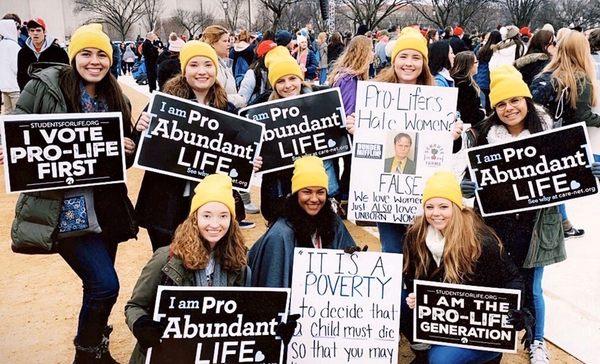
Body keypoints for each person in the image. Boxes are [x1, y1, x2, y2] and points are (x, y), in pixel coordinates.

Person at [3, 24, 137, 362]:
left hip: (105, 209)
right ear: (74, 55)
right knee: (105, 285)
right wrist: (8, 144)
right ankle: (86, 352)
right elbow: (17, 125)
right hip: (60, 209)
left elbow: (126, 159)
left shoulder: (116, 95)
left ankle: (98, 350)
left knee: (97, 288)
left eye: (102, 55)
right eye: (87, 53)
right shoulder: (45, 86)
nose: (95, 61)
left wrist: (127, 146)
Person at [460, 64, 600, 364]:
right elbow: (469, 174)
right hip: (495, 225)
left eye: (514, 100)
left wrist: (590, 167)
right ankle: (491, 337)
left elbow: (573, 164)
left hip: (537, 223)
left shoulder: (550, 132)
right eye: (501, 103)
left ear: (526, 100)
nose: (509, 108)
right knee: (495, 280)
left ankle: (536, 342)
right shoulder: (484, 136)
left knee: (533, 285)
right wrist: (466, 185)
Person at [133, 41, 259, 253]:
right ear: (184, 70)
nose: (202, 71)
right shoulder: (165, 104)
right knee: (169, 265)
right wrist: (139, 130)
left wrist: (249, 161)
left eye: (208, 65)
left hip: (210, 207)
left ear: (215, 69)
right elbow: (138, 152)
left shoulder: (226, 110)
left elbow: (236, 155)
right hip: (166, 205)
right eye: (194, 65)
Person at [346, 28, 463, 253]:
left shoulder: (437, 95)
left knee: (422, 256)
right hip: (386, 199)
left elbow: (449, 147)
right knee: (392, 254)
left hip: (424, 199)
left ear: (424, 63)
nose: (409, 63)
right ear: (394, 60)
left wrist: (454, 135)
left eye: (416, 57)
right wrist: (355, 130)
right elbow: (366, 149)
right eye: (404, 56)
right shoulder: (375, 93)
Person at [402, 171, 528, 363]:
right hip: (440, 321)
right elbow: (410, 274)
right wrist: (416, 294)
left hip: (477, 330)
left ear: (457, 207)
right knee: (398, 299)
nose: (436, 213)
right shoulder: (416, 234)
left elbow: (512, 278)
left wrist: (512, 308)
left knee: (441, 361)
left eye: (443, 206)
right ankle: (423, 349)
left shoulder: (480, 240)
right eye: (430, 206)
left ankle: (485, 358)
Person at [125, 174, 250, 363]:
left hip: (211, 354)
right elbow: (135, 306)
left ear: (232, 221)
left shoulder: (238, 262)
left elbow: (243, 315)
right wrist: (141, 325)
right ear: (194, 218)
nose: (215, 224)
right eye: (207, 215)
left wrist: (274, 328)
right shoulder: (167, 258)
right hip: (167, 354)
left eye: (223, 216)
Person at [248, 156, 356, 288]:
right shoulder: (280, 233)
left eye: (320, 192)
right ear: (296, 194)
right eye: (307, 192)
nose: (314, 199)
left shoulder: (334, 222)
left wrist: (354, 259)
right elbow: (272, 285)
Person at [531, 31, 599, 239]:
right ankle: (562, 224)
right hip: (565, 139)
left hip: (540, 134)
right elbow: (584, 116)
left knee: (551, 183)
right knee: (557, 184)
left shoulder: (545, 74)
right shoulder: (581, 79)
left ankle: (563, 223)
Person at [327, 35, 374, 208]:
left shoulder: (347, 74)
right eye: (371, 50)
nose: (373, 55)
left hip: (343, 129)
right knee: (350, 165)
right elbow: (348, 110)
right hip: (347, 130)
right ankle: (343, 199)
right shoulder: (349, 78)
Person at [17, 17, 68, 90]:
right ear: (28, 33)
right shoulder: (23, 53)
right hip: (31, 92)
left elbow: (65, 73)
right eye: (32, 30)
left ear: (44, 32)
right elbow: (21, 76)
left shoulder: (58, 51)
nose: (35, 33)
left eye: (38, 30)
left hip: (52, 92)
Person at [201, 25, 246, 108]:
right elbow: (212, 98)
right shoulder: (211, 67)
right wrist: (239, 100)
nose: (228, 44)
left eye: (228, 40)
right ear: (213, 43)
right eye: (225, 41)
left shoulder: (221, 63)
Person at [450, 51, 486, 126]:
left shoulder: (459, 82)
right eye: (476, 62)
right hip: (467, 127)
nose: (478, 65)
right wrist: (482, 113)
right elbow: (469, 115)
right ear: (469, 65)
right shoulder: (465, 86)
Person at [238, 39, 277, 105]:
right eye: (271, 54)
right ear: (263, 56)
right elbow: (243, 99)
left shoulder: (276, 70)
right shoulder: (252, 73)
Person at [475, 30, 502, 113]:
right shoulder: (496, 51)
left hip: (479, 78)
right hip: (489, 79)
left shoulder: (482, 48)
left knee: (482, 105)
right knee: (489, 106)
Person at [0, 19, 21, 114]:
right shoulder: (14, 46)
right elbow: (17, 67)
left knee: (8, 113)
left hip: (4, 86)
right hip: (15, 87)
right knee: (18, 114)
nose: (19, 31)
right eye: (17, 28)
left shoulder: (1, 45)